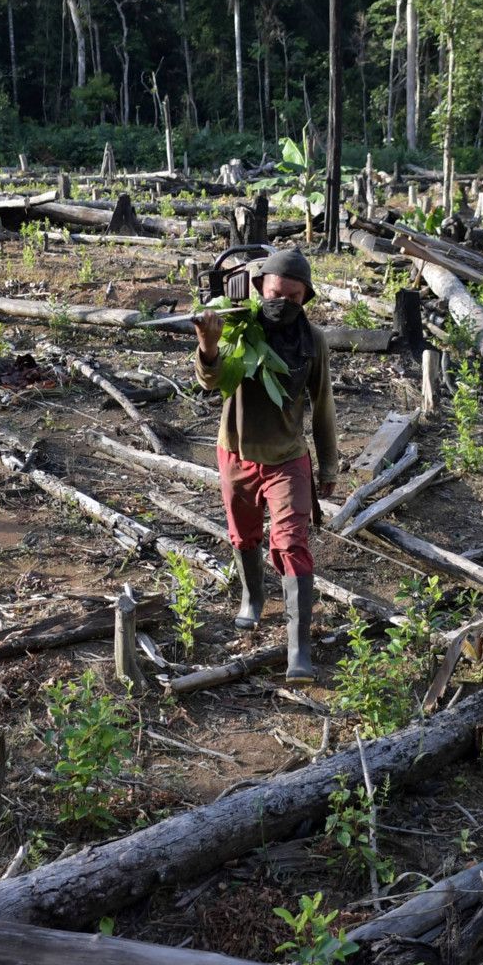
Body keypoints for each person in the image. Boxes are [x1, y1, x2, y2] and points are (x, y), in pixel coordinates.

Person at [191, 248, 338, 684]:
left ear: (305, 299)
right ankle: (252, 599)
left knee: (292, 544)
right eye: (277, 294)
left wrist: (329, 467)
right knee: (244, 533)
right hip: (235, 451)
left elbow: (324, 405)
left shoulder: (313, 341)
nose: (284, 304)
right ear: (260, 288)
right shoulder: (238, 327)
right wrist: (208, 344)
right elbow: (211, 381)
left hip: (288, 458)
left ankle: (299, 651)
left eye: (294, 299)